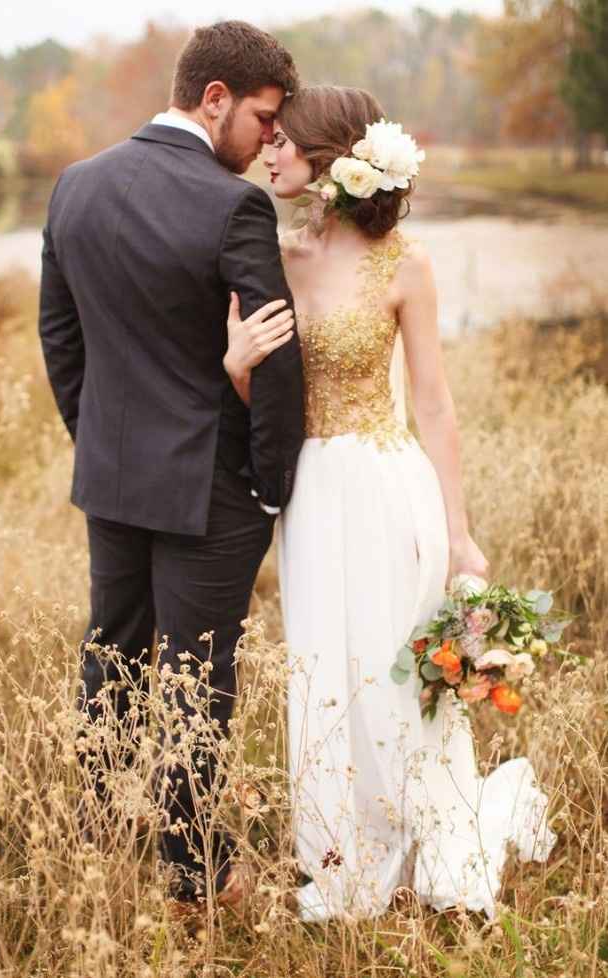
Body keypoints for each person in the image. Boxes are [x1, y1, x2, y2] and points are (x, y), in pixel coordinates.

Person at [223, 85, 557, 922]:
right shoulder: (277, 256)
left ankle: (426, 835)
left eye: (285, 144)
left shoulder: (406, 262)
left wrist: (460, 531)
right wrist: (235, 370)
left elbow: (435, 402)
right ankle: (346, 856)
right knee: (325, 672)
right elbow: (261, 395)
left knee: (391, 673)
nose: (269, 154)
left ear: (329, 161)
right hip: (311, 493)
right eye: (267, 141)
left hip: (384, 482)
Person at [38, 21, 304, 912]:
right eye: (264, 119)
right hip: (210, 489)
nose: (270, 138)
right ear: (215, 98)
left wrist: (98, 440)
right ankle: (195, 875)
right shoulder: (234, 206)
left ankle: (97, 834)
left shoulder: (76, 185)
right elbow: (275, 355)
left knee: (110, 657)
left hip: (112, 478)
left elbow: (60, 336)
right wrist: (272, 485)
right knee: (198, 679)